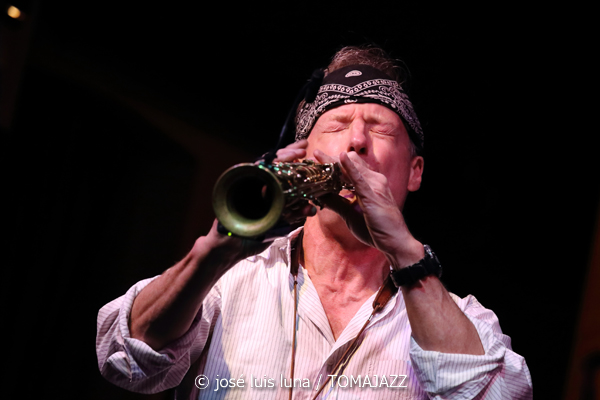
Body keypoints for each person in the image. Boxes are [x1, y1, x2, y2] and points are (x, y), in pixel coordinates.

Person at [96, 46, 533, 399]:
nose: (356, 141)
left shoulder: (464, 320)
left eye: (380, 129)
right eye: (338, 125)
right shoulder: (226, 284)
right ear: (305, 155)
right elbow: (125, 360)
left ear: (414, 172)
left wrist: (405, 253)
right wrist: (215, 253)